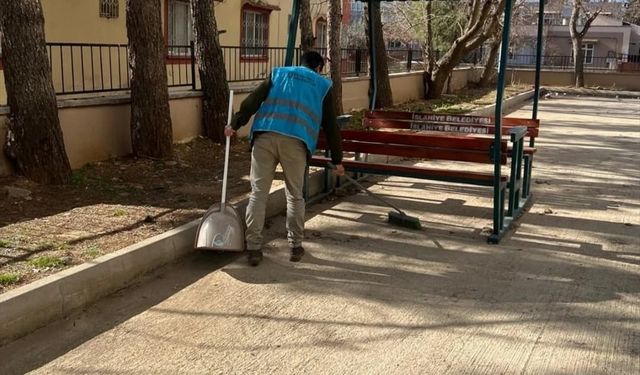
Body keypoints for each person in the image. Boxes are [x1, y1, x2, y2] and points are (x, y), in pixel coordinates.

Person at [225, 51, 345, 266]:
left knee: (258, 195)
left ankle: (253, 248)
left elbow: (253, 100)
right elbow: (330, 125)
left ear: (301, 63)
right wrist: (337, 159)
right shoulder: (322, 84)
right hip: (296, 143)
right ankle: (295, 246)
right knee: (295, 195)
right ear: (318, 67)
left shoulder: (278, 73)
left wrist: (235, 124)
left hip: (264, 137)